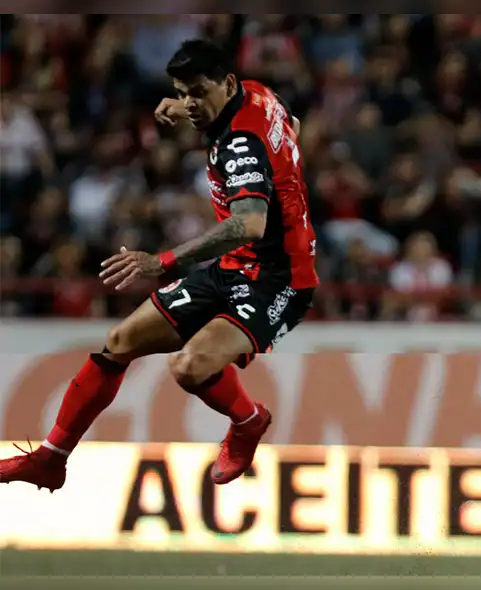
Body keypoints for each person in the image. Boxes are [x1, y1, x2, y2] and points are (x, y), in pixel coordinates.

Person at [0, 39, 319, 492]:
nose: (189, 102)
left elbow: (249, 223)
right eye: (181, 91)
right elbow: (293, 125)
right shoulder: (256, 94)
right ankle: (51, 458)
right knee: (120, 341)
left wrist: (163, 261)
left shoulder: (240, 143)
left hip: (278, 280)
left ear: (226, 83)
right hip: (234, 266)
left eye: (197, 92)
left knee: (189, 368)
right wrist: (200, 113)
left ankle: (248, 422)